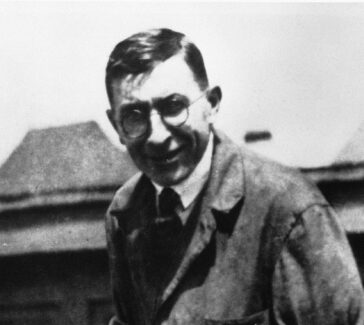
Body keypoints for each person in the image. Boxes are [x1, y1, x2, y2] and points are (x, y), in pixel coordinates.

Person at [104, 28, 364, 325]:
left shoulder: (290, 212)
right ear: (116, 125)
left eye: (174, 107)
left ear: (212, 104)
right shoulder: (124, 213)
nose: (157, 136)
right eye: (134, 116)